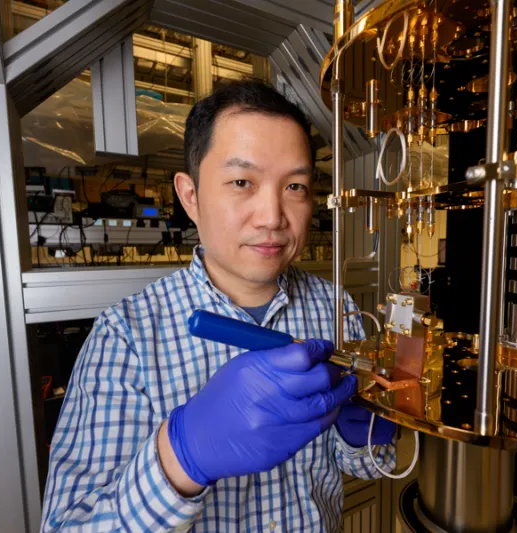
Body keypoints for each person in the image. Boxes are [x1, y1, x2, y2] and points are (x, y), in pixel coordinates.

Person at [40, 79, 396, 532]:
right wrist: (182, 456)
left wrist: (362, 435)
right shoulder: (127, 335)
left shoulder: (336, 308)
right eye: (242, 182)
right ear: (190, 196)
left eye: (295, 187)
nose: (272, 217)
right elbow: (67, 525)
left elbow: (370, 466)